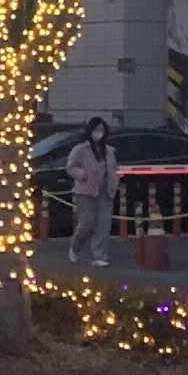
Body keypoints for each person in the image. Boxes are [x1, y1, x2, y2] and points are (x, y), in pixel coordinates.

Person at [68, 114, 121, 268]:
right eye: (96, 129)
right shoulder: (80, 149)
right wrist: (83, 175)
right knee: (86, 224)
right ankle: (75, 247)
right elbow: (71, 167)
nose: (99, 133)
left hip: (105, 190)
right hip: (86, 191)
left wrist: (114, 180)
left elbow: (113, 168)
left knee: (103, 225)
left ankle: (100, 256)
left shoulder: (109, 151)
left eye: (102, 130)